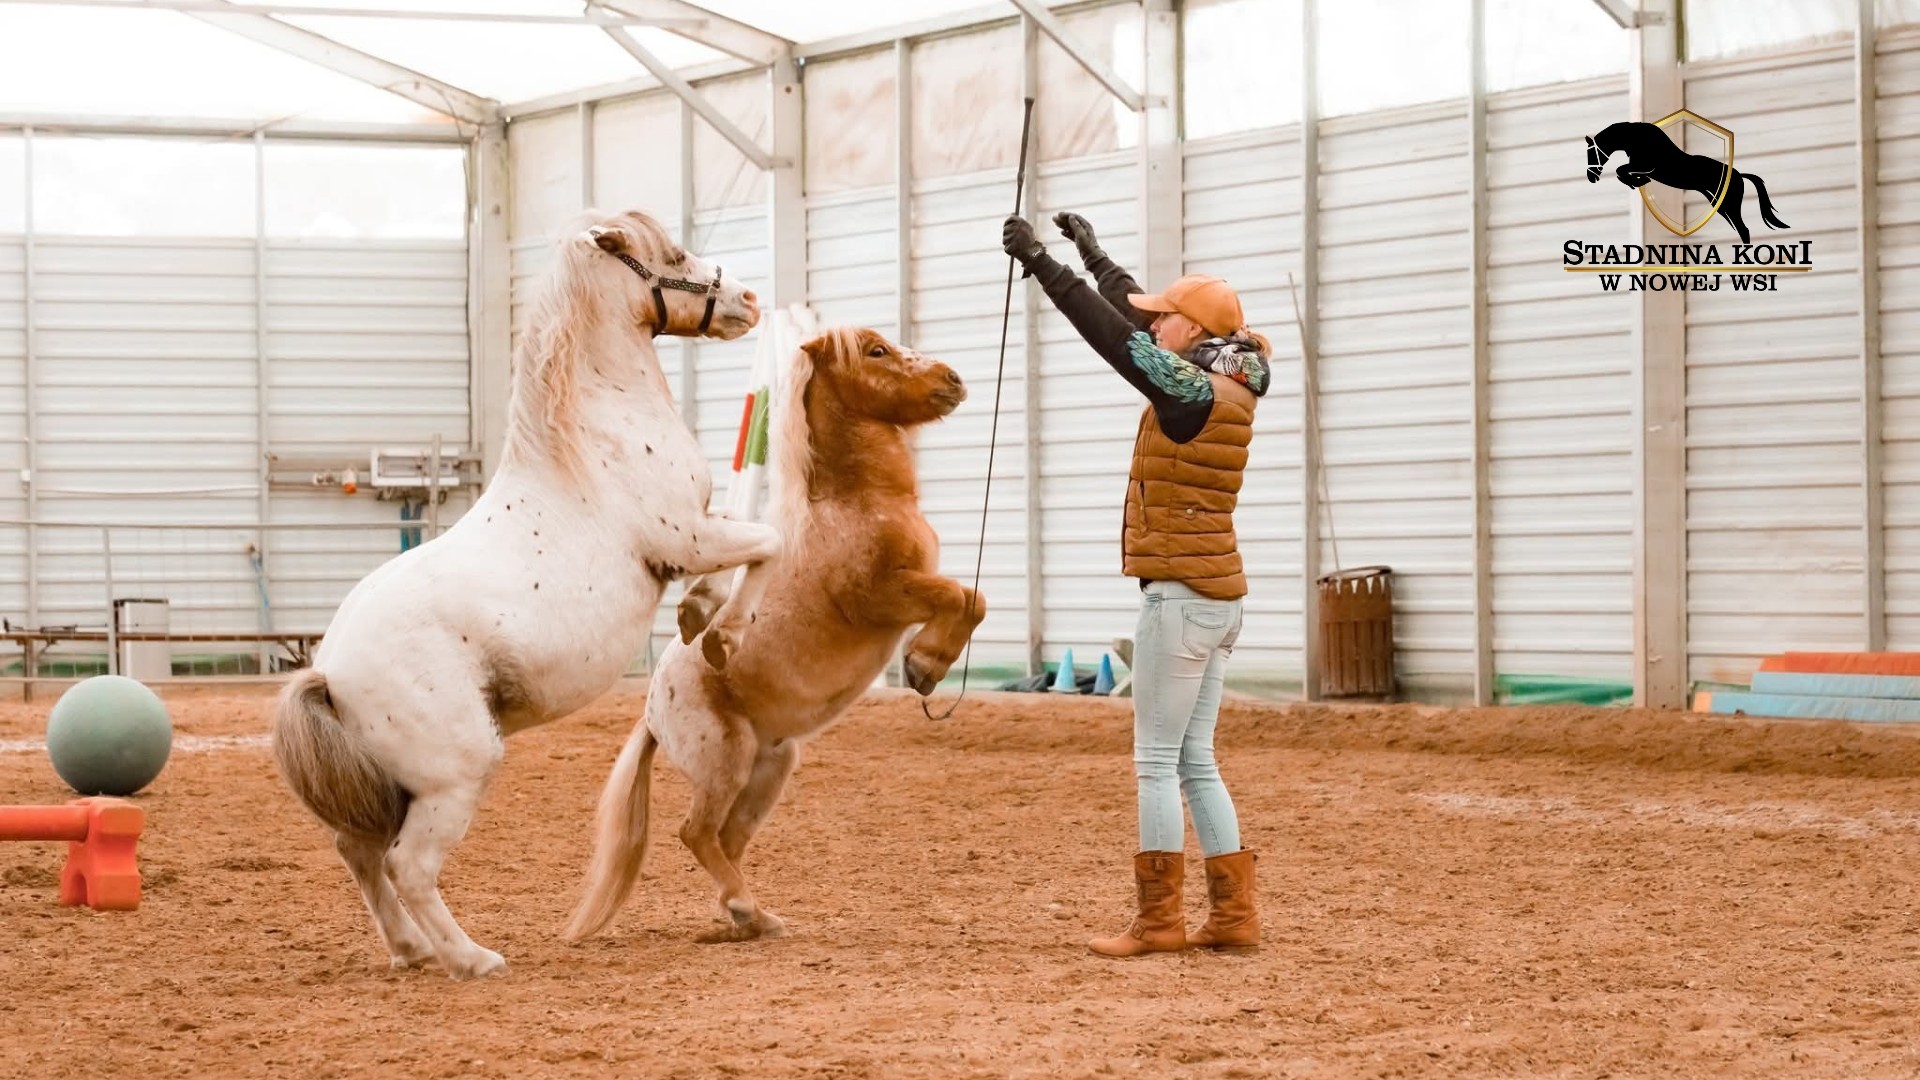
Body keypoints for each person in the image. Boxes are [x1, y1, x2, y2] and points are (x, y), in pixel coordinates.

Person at [1002, 210, 1271, 957]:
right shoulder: (1227, 380)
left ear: (1193, 331)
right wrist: (1093, 257)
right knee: (1196, 760)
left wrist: (1044, 266)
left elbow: (1117, 339)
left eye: (1166, 318)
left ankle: (1158, 922)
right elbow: (1135, 319)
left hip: (1177, 600)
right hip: (1219, 598)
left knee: (1156, 761)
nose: (1153, 324)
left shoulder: (1189, 392)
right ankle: (1234, 917)